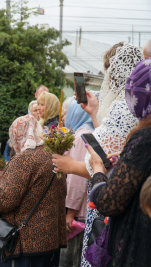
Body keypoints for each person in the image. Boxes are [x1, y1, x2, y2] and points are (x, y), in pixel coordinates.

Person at [51, 43, 144, 266]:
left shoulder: (123, 108)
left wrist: (70, 166)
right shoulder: (135, 107)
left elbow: (102, 163)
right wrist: (94, 112)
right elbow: (109, 148)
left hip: (109, 200)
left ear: (114, 74)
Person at [85, 57, 151, 267]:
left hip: (140, 244)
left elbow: (110, 202)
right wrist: (125, 161)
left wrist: (98, 170)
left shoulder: (144, 138)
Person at [0, 114, 66, 266]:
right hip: (51, 238)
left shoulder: (23, 159)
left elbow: (5, 200)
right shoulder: (55, 155)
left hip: (26, 242)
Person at [59, 99, 94, 267]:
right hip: (85, 208)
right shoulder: (89, 131)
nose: (65, 117)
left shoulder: (81, 136)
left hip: (79, 212)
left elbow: (77, 179)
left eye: (67, 112)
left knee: (73, 258)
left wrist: (70, 213)